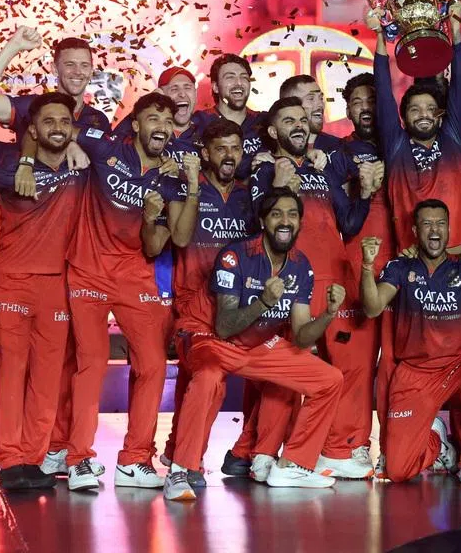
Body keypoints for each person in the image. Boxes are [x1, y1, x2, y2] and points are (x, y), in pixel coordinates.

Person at [164, 187, 346, 500]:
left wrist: (329, 314)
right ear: (263, 220)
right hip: (209, 336)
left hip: (258, 343)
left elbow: (302, 336)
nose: (285, 221)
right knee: (208, 378)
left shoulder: (301, 265)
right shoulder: (236, 256)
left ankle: (292, 463)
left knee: (329, 379)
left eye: (292, 214)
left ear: (300, 223)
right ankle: (181, 469)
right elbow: (223, 326)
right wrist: (264, 301)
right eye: (276, 214)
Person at [251, 98, 381, 479]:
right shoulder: (263, 170)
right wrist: (273, 186)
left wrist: (367, 192)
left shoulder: (321, 170)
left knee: (345, 366)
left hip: (332, 277)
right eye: (288, 120)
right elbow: (249, 220)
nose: (299, 125)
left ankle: (334, 449)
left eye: (303, 120)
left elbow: (349, 222)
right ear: (273, 131)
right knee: (290, 368)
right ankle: (265, 452)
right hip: (288, 278)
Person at [63, 93, 184, 491]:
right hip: (89, 272)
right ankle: (79, 458)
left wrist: (153, 215)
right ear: (135, 124)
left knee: (152, 365)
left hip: (137, 275)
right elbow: (47, 129)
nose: (161, 127)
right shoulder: (105, 145)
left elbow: (155, 246)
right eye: (153, 118)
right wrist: (71, 144)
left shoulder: (174, 177)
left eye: (167, 120)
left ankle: (134, 460)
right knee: (92, 362)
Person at [359, 201, 461, 489]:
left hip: (459, 367)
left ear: (449, 228)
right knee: (400, 470)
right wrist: (367, 266)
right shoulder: (401, 268)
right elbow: (372, 307)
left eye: (440, 223)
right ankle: (438, 441)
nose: (434, 230)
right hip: (415, 373)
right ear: (415, 230)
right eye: (427, 224)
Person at [0, 93, 89, 491]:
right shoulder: (6, 162)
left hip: (58, 285)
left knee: (48, 379)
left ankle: (33, 459)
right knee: (14, 373)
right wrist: (27, 159)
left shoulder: (81, 165)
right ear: (31, 129)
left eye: (64, 122)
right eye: (48, 122)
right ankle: (9, 459)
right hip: (13, 280)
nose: (57, 129)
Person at [159, 118, 256, 485]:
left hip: (233, 307)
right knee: (201, 379)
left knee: (198, 381)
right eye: (221, 148)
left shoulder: (249, 196)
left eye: (235, 147)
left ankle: (178, 451)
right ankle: (188, 460)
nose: (229, 155)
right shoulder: (185, 188)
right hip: (191, 303)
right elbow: (178, 241)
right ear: (205, 153)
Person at [366, 0, 461, 250]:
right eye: (415, 110)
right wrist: (379, 36)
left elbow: (460, 83)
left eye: (431, 109)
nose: (424, 115)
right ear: (403, 117)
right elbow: (384, 92)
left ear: (440, 115)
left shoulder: (454, 139)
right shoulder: (396, 146)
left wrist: (455, 29)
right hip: (412, 266)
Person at [339, 72, 398, 477]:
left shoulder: (403, 144)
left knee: (396, 362)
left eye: (372, 100)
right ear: (347, 109)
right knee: (357, 363)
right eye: (357, 101)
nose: (365, 108)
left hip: (399, 266)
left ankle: (397, 446)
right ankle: (354, 443)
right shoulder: (338, 151)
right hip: (354, 263)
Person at [193, 54, 264, 179]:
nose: (239, 83)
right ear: (215, 87)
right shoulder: (199, 122)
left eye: (244, 78)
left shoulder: (265, 121)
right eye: (230, 77)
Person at [280, 74, 344, 154]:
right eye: (311, 98)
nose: (321, 104)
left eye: (321, 98)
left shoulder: (338, 147)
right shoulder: (269, 148)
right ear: (289, 104)